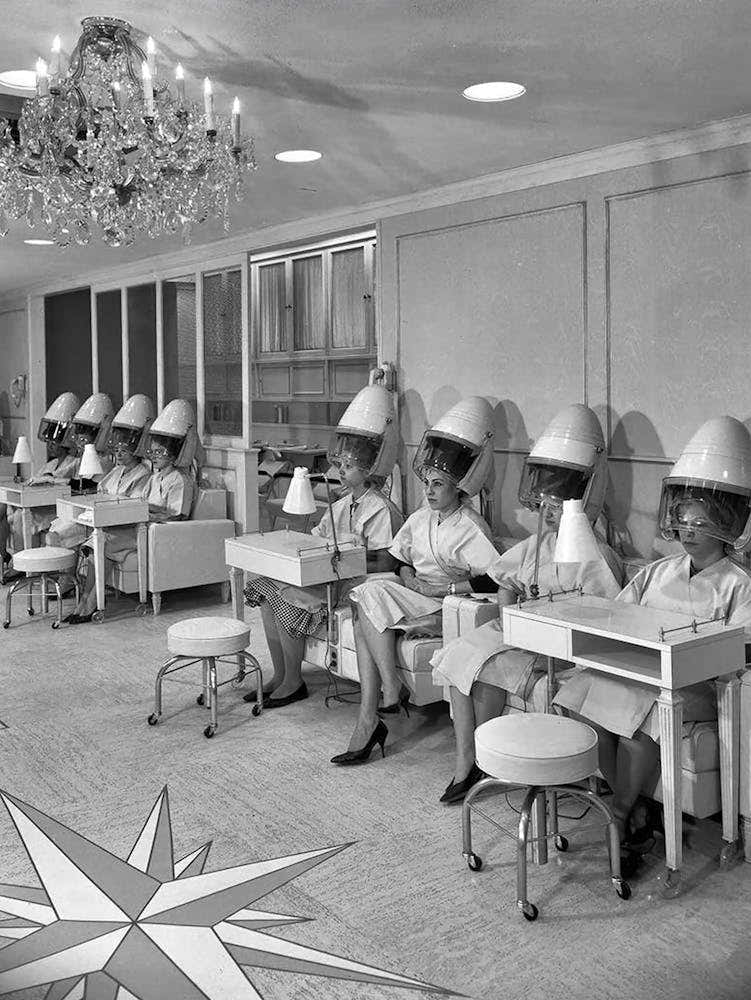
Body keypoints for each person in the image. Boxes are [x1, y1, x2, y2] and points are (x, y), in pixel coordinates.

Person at [555, 415, 751, 869]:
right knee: (575, 700)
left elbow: (737, 650)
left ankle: (620, 815)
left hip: (699, 686)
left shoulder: (738, 584)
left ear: (724, 523)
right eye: (683, 520)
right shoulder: (658, 572)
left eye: (699, 523)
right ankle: (638, 805)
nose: (687, 530)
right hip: (643, 671)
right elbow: (619, 615)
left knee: (641, 721)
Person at [430, 404, 623, 803]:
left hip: (566, 649)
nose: (549, 513)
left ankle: (483, 764)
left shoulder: (597, 555)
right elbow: (503, 577)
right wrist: (506, 618)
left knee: (485, 667)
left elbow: (609, 616)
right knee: (461, 653)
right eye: (546, 504)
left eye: (559, 505)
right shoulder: (538, 544)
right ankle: (467, 760)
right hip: (524, 635)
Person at [331, 396, 503, 766]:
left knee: (364, 611)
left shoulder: (470, 526)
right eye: (427, 483)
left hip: (447, 601)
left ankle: (375, 712)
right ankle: (388, 693)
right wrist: (407, 576)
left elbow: (493, 579)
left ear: (459, 488)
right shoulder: (422, 517)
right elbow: (396, 558)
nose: (429, 491)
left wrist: (446, 589)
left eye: (438, 485)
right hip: (418, 593)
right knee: (363, 595)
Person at [243, 383, 403, 708]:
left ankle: (293, 682)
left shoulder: (381, 509)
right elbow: (317, 534)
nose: (341, 472)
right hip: (328, 577)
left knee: (283, 599)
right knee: (264, 588)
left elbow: (387, 560)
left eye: (348, 467)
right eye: (340, 466)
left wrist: (344, 560)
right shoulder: (342, 504)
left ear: (369, 468)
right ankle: (280, 673)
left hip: (352, 585)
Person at [64, 398, 197, 624]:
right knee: (98, 540)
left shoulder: (180, 480)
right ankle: (86, 600)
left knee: (101, 541)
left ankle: (90, 604)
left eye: (160, 452)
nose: (154, 456)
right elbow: (142, 502)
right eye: (152, 452)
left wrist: (149, 513)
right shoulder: (155, 477)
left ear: (174, 454)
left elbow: (178, 515)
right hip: (140, 525)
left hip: (154, 532)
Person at [46, 394, 154, 550]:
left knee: (78, 541)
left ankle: (70, 573)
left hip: (118, 524)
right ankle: (63, 573)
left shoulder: (142, 474)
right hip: (99, 518)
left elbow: (131, 507)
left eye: (124, 450)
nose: (119, 454)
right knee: (55, 532)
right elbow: (99, 491)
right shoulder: (116, 471)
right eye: (116, 450)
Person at [0, 392, 81, 575]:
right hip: (39, 505)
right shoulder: (51, 464)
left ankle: (25, 568)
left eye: (55, 442)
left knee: (21, 517)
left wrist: (52, 480)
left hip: (54, 508)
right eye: (49, 441)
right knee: (16, 513)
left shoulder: (75, 463)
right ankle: (18, 562)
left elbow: (75, 487)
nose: (50, 445)